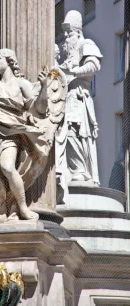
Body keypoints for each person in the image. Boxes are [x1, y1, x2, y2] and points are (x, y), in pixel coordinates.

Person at [0, 48, 51, 224]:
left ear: (9, 61)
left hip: (12, 132)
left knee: (7, 167)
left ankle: (22, 206)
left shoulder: (21, 84)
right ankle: (0, 211)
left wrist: (45, 86)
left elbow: (39, 110)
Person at [57, 10, 103, 185]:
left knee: (75, 133)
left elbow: (94, 64)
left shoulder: (86, 43)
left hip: (79, 97)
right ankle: (72, 170)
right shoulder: (67, 57)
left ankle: (80, 171)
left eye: (70, 32)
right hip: (66, 98)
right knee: (66, 133)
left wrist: (74, 71)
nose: (66, 36)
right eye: (65, 33)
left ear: (78, 32)